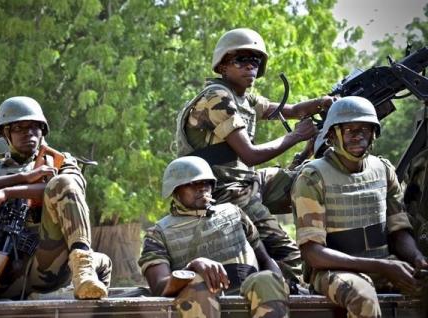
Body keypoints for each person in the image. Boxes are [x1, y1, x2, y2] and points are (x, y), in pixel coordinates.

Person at [176, 27, 335, 288]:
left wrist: (326, 102)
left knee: (307, 180)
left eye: (255, 61)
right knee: (288, 252)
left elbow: (291, 110)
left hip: (245, 179)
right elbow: (249, 155)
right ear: (223, 66)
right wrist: (295, 137)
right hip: (223, 189)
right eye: (241, 60)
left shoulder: (244, 98)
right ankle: (297, 295)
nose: (250, 66)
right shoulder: (217, 98)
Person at [0, 96, 111, 302]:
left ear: (43, 131)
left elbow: (73, 187)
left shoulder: (60, 162)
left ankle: (83, 269)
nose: (29, 133)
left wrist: (6, 193)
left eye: (35, 127)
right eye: (19, 127)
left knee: (63, 183)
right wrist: (21, 179)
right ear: (4, 133)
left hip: (44, 264)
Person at [292, 96, 428, 317]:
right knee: (362, 296)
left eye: (364, 129)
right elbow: (312, 253)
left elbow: (398, 230)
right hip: (332, 271)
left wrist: (416, 258)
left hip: (382, 264)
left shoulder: (383, 170)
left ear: (374, 133)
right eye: (349, 130)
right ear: (332, 135)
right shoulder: (312, 177)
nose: (357, 136)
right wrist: (382, 267)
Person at [139, 156, 289, 318]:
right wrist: (192, 267)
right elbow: (159, 288)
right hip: (198, 307)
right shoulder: (158, 234)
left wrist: (278, 283)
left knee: (266, 279)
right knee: (197, 286)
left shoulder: (234, 213)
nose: (202, 188)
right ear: (174, 190)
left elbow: (265, 260)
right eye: (192, 183)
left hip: (249, 302)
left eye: (206, 182)